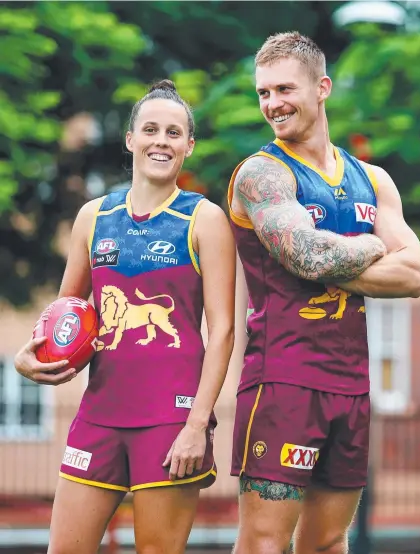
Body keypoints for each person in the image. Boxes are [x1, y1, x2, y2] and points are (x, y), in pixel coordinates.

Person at [14, 80, 236, 554]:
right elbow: (65, 315)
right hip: (100, 414)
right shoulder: (93, 217)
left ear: (189, 146)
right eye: (151, 129)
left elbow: (223, 332)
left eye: (174, 133)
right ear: (131, 138)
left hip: (170, 420)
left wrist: (197, 424)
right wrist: (29, 360)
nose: (162, 141)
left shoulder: (205, 219)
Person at [228, 32, 420, 554]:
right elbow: (306, 255)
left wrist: (331, 257)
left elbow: (413, 277)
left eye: (284, 89)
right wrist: (370, 245)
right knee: (265, 543)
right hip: (283, 382)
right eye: (263, 93)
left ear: (322, 88)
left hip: (351, 385)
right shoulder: (262, 174)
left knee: (328, 542)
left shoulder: (373, 179)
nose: (272, 104)